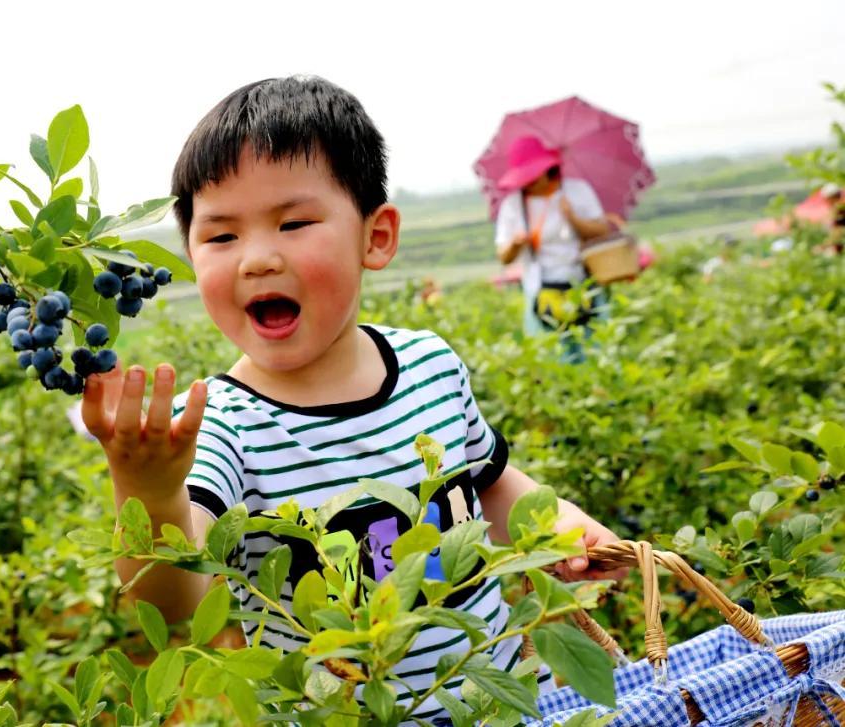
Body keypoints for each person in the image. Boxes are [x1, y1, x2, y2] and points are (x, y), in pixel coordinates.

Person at [81, 76, 620, 723]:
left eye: (293, 222)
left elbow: (490, 486)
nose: (255, 258)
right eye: (221, 236)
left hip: (497, 701)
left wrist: (558, 524)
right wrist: (146, 489)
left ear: (377, 236)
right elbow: (177, 599)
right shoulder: (226, 427)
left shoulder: (429, 364)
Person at [493, 136, 612, 345]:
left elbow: (602, 230)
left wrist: (574, 219)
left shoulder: (576, 191)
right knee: (553, 352)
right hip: (540, 290)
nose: (529, 183)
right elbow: (504, 257)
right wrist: (517, 243)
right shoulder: (513, 205)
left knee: (592, 346)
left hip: (582, 282)